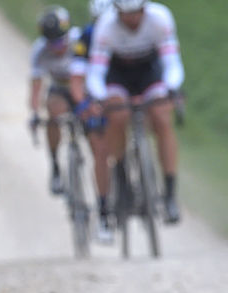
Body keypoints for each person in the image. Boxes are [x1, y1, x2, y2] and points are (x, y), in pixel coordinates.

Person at [86, 0, 184, 224]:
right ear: (117, 11)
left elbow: (171, 62)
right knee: (117, 115)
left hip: (150, 72)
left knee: (161, 117)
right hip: (118, 74)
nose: (131, 19)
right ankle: (121, 174)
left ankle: (169, 194)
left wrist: (170, 88)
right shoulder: (106, 25)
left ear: (144, 9)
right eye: (125, 14)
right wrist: (101, 98)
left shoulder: (160, 18)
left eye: (136, 13)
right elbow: (96, 71)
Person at [71, 0, 116, 240]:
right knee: (100, 152)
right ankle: (104, 211)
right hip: (97, 97)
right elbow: (77, 79)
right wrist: (84, 104)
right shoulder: (86, 38)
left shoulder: (123, 32)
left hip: (120, 93)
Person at [28, 5, 82, 196]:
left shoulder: (80, 40)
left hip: (84, 88)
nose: (57, 49)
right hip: (59, 88)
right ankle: (56, 166)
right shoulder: (39, 51)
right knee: (53, 114)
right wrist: (34, 114)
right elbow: (35, 87)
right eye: (52, 45)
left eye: (61, 43)